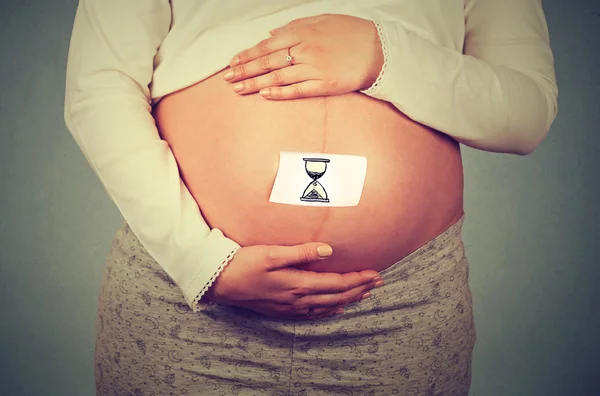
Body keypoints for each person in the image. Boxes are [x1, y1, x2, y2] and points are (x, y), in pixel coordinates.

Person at [63, 0, 558, 395]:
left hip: (397, 311)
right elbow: (99, 86)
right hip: (192, 303)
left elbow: (526, 113)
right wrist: (200, 262)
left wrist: (386, 56)